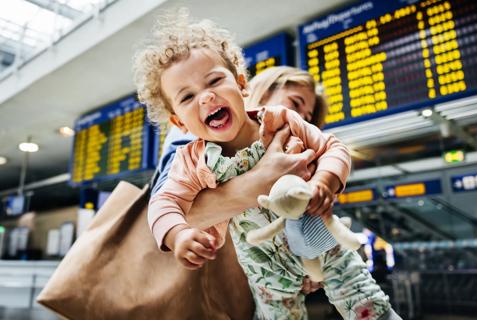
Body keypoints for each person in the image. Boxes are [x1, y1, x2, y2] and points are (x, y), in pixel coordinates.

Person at [134, 9, 399, 320]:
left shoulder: (281, 122)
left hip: (319, 241)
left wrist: (325, 180)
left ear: (241, 84)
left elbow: (333, 147)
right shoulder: (191, 160)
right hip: (263, 271)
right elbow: (164, 202)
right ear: (179, 121)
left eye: (215, 80)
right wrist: (177, 234)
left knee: (364, 298)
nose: (205, 97)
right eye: (188, 97)